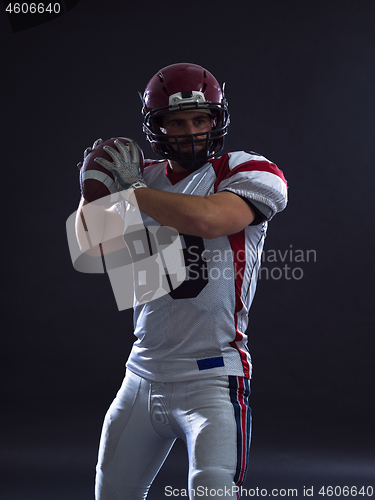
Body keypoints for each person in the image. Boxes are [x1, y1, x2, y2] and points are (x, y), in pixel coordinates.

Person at [74, 63, 288, 499]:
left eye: (200, 119)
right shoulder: (144, 175)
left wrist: (129, 192)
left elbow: (210, 220)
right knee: (111, 493)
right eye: (177, 122)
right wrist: (90, 192)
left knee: (211, 491)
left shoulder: (246, 169)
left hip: (213, 374)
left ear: (217, 119)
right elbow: (92, 249)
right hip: (142, 373)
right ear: (159, 127)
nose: (191, 131)